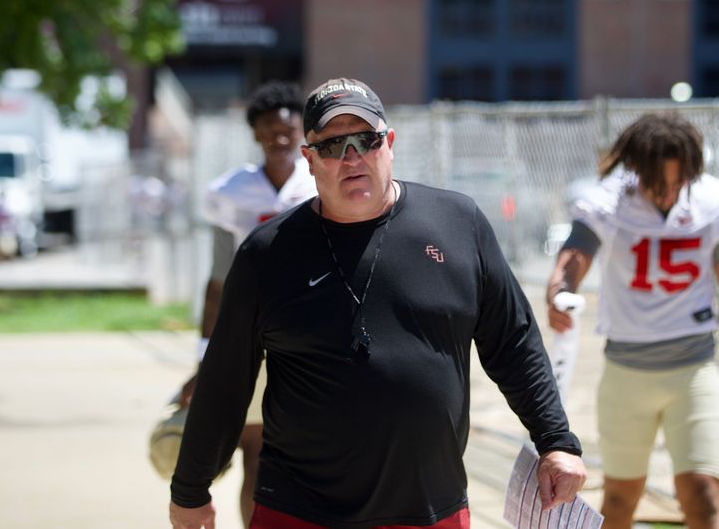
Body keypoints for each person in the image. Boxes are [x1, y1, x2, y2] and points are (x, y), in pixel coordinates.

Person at [169, 77, 586, 529]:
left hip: (431, 505)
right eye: (332, 146)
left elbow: (513, 342)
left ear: (388, 143)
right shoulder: (267, 254)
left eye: (364, 140)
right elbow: (224, 381)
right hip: (299, 510)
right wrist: (191, 490)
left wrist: (556, 440)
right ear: (309, 160)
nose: (352, 158)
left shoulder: (457, 223)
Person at [545, 112, 719, 529]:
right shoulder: (610, 199)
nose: (667, 193)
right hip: (627, 371)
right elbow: (576, 252)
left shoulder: (713, 200)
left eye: (677, 183)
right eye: (657, 184)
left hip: (693, 369)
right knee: (619, 502)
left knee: (704, 496)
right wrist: (559, 289)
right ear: (636, 169)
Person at [177, 80, 317, 527]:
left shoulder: (321, 181)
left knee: (316, 453)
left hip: (313, 333)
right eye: (269, 130)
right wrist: (205, 357)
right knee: (256, 450)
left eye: (288, 130)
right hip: (252, 332)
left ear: (303, 133)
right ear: (254, 133)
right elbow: (218, 282)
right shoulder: (230, 191)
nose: (279, 139)